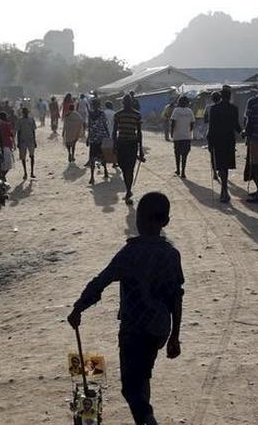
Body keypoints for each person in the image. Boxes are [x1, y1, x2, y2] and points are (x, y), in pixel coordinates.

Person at [67, 192, 184, 425]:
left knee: (130, 388)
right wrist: (174, 336)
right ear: (166, 222)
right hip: (160, 328)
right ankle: (146, 414)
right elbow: (176, 297)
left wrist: (79, 307)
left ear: (138, 220)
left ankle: (147, 420)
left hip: (135, 328)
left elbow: (102, 280)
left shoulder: (130, 252)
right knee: (142, 375)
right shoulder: (171, 254)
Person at [206, 86, 242, 203]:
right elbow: (236, 125)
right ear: (230, 96)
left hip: (217, 140)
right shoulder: (233, 108)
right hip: (229, 140)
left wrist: (210, 143)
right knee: (226, 166)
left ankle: (224, 190)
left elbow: (211, 127)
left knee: (221, 165)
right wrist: (243, 133)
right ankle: (224, 190)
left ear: (221, 96)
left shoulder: (214, 109)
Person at [112, 95, 144, 205]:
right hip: (126, 144)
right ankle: (128, 189)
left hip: (128, 144)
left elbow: (139, 133)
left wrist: (141, 150)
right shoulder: (120, 115)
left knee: (128, 169)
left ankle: (128, 190)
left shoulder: (134, 115)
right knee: (125, 168)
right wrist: (114, 145)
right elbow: (115, 131)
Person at [86, 99, 110, 184]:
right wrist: (108, 135)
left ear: (92, 105)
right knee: (103, 155)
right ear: (99, 105)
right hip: (101, 138)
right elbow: (105, 125)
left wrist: (88, 138)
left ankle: (92, 177)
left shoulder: (90, 114)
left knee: (92, 158)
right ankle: (106, 171)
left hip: (93, 138)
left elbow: (89, 127)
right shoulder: (102, 114)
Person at [170, 96, 195, 178]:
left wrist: (172, 132)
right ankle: (183, 172)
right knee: (184, 155)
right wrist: (188, 131)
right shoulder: (190, 111)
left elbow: (173, 122)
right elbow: (192, 124)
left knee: (177, 154)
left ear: (179, 102)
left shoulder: (176, 110)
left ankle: (178, 170)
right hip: (186, 136)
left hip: (177, 136)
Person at [204, 92, 222, 182]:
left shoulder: (208, 107)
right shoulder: (223, 107)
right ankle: (221, 171)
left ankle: (215, 172)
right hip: (222, 134)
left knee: (212, 154)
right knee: (221, 153)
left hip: (211, 133)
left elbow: (205, 120)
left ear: (212, 99)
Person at [16, 108, 37, 180]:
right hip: (23, 140)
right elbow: (18, 132)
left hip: (30, 140)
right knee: (23, 157)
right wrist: (18, 142)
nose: (25, 113)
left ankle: (32, 172)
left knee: (32, 156)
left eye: (26, 112)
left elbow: (33, 131)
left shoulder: (31, 120)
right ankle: (25, 172)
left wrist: (35, 141)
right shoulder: (20, 120)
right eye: (24, 112)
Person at [0, 112, 15, 177]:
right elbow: (10, 134)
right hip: (6, 145)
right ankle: (2, 176)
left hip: (0, 146)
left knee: (3, 165)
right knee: (8, 165)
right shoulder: (6, 125)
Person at [103, 101, 117, 166]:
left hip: (104, 133)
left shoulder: (103, 113)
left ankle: (104, 161)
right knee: (113, 148)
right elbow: (115, 124)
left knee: (104, 148)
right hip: (112, 132)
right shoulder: (114, 113)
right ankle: (114, 162)